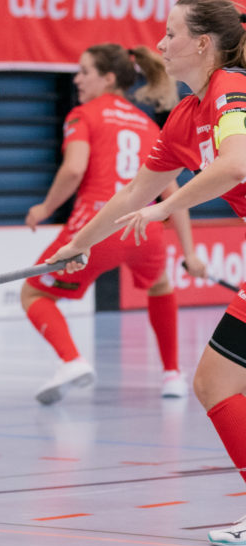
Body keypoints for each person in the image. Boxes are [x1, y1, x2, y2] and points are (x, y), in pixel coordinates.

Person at [48, 0, 246, 546]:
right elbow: (134, 190)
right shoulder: (187, 116)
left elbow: (235, 165)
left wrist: (165, 209)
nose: (160, 45)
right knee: (217, 382)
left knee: (215, 381)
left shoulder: (231, 90)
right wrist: (80, 244)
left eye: (171, 33)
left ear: (203, 44)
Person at [22, 44, 205, 405]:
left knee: (34, 292)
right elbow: (174, 194)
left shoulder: (83, 114)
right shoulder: (148, 123)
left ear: (107, 78)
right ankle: (172, 375)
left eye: (84, 71)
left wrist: (44, 207)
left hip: (97, 226)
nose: (76, 79)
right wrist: (190, 252)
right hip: (144, 228)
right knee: (160, 286)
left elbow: (74, 169)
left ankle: (71, 361)